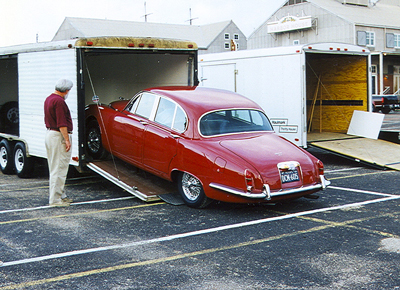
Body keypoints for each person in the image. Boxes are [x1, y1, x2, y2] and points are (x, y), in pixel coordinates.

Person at [44, 79, 74, 206]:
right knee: (59, 167)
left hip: (51, 134)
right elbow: (62, 123)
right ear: (66, 90)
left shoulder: (49, 98)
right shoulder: (59, 101)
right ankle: (55, 200)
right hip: (58, 136)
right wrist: (66, 139)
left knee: (54, 167)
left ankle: (61, 194)